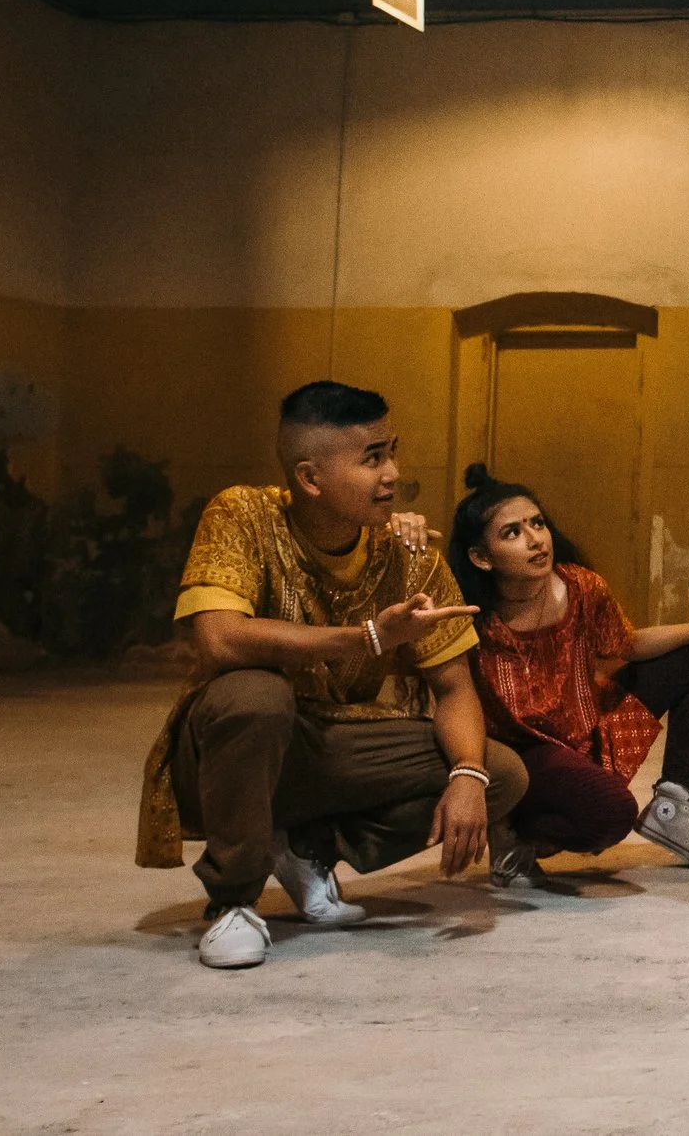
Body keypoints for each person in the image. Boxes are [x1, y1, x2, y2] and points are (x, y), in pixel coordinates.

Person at [133, 382, 528, 969]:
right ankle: (234, 901)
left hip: (329, 745)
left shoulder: (410, 555)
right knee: (257, 695)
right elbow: (217, 637)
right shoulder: (243, 514)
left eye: (390, 450)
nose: (392, 473)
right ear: (311, 478)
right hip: (227, 751)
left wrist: (468, 775)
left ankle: (303, 850)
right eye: (372, 459)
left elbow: (454, 687)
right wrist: (365, 638)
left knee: (501, 772)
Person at [449, 467, 689, 886]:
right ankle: (513, 831)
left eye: (537, 523)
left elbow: (628, 644)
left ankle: (674, 806)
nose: (535, 540)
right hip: (525, 756)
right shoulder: (470, 613)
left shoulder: (580, 586)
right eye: (511, 533)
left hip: (588, 732)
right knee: (611, 815)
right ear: (481, 556)